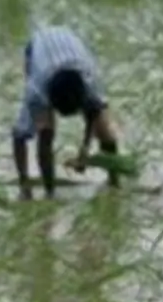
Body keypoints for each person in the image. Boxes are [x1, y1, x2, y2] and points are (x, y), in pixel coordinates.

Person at [12, 25, 120, 200]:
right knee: (45, 131)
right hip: (37, 47)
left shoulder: (90, 80)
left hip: (70, 44)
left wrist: (83, 153)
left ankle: (114, 181)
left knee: (105, 130)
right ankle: (50, 192)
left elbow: (93, 112)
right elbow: (19, 136)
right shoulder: (37, 90)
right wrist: (24, 185)